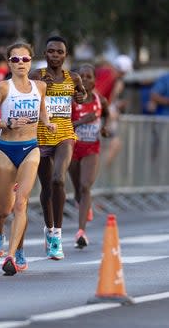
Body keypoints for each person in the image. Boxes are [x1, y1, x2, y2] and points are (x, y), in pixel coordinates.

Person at [0, 43, 54, 275]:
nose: (20, 64)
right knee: (3, 208)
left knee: (21, 203)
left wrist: (47, 123)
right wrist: (6, 123)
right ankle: (0, 232)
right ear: (9, 62)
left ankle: (13, 254)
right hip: (6, 148)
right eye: (15, 60)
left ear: (31, 61)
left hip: (30, 148)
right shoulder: (2, 88)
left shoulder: (40, 86)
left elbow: (42, 109)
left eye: (25, 59)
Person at [29, 36, 86, 260]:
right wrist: (40, 90)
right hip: (41, 135)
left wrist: (81, 96)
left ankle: (58, 235)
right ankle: (49, 228)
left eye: (59, 52)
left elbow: (82, 94)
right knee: (46, 187)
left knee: (58, 179)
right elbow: (26, 93)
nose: (55, 55)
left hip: (64, 134)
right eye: (51, 51)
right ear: (45, 54)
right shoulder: (37, 76)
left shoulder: (73, 77)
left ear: (65, 55)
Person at [69, 64, 110, 250]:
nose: (85, 79)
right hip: (72, 147)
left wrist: (104, 127)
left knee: (86, 186)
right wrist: (82, 121)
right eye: (81, 76)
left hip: (91, 148)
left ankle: (81, 232)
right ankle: (81, 201)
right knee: (78, 189)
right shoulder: (71, 101)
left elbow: (107, 115)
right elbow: (65, 125)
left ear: (94, 80)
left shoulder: (100, 100)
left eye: (89, 76)